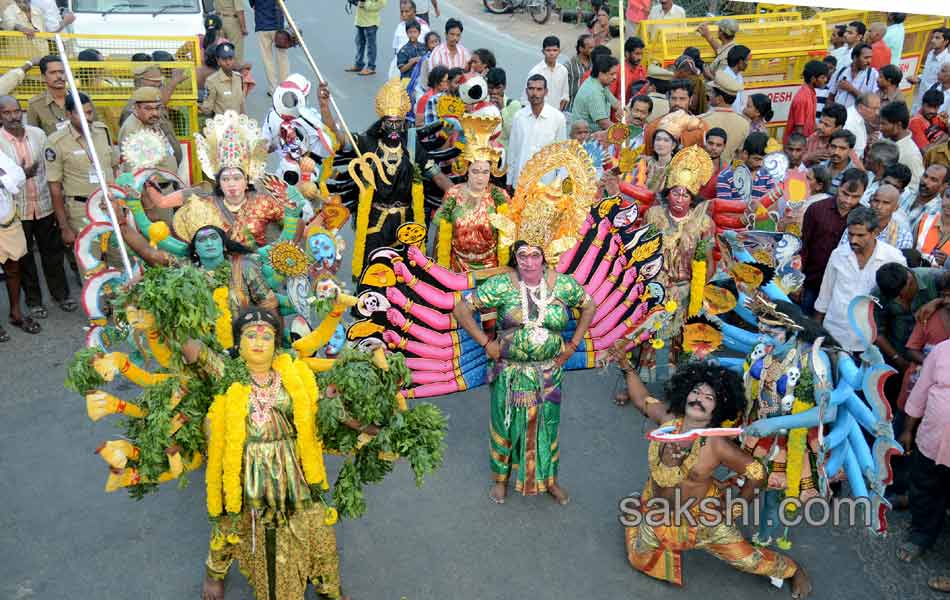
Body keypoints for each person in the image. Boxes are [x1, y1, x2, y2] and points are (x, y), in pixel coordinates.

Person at [616, 360, 811, 596]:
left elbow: (758, 473)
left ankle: (794, 570)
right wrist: (627, 367)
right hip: (658, 511)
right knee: (639, 558)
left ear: (716, 409)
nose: (699, 399)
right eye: (696, 392)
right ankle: (639, 510)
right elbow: (642, 399)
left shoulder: (717, 445)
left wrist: (735, 509)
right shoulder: (668, 421)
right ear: (685, 394)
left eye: (708, 398)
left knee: (748, 561)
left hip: (704, 520)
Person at [196, 307, 347, 600]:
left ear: (277, 344)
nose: (258, 341)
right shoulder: (228, 375)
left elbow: (316, 415)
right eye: (250, 335)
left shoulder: (293, 371)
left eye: (267, 336)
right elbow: (194, 351)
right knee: (233, 527)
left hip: (295, 470)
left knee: (318, 530)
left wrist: (330, 404)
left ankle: (328, 585)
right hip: (247, 475)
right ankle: (215, 573)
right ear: (238, 343)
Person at [452, 236, 596, 504]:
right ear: (515, 258)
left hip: (548, 373)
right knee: (506, 425)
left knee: (547, 426)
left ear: (544, 257)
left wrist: (573, 344)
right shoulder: (501, 285)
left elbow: (589, 305)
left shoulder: (563, 285)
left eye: (535, 256)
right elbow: (461, 309)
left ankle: (548, 479)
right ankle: (501, 480)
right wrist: (485, 343)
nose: (529, 263)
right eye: (522, 256)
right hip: (510, 373)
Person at [0, 95, 74, 319]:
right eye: (7, 113)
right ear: (0, 116)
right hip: (16, 210)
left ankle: (61, 296)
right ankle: (34, 302)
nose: (14, 117)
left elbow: (50, 167)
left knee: (53, 253)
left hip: (43, 204)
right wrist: (23, 174)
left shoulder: (38, 135)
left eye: (17, 111)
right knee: (24, 260)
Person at [45, 92, 118, 279]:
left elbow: (114, 166)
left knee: (120, 261)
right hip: (81, 211)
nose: (88, 118)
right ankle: (98, 307)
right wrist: (64, 227)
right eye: (81, 114)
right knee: (92, 269)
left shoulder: (102, 131)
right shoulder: (56, 142)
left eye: (90, 112)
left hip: (110, 206)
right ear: (69, 114)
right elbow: (55, 189)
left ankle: (123, 307)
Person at [815, 205, 906, 351]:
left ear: (875, 233)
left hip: (868, 343)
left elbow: (899, 302)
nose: (853, 240)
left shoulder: (893, 258)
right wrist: (816, 331)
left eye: (860, 235)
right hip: (833, 334)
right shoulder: (838, 254)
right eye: (850, 234)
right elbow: (824, 296)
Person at [896, 338, 950, 567]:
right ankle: (921, 535)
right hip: (931, 441)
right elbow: (920, 392)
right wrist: (908, 430)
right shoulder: (942, 350)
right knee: (924, 488)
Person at [433, 114, 509, 271]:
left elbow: (508, 238)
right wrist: (438, 271)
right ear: (467, 170)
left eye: (485, 172)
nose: (480, 177)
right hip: (457, 267)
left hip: (491, 271)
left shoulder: (500, 196)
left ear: (491, 172)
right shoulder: (453, 194)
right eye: (475, 171)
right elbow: (441, 235)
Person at [799, 168, 866, 314]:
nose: (847, 201)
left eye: (855, 197)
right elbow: (803, 246)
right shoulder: (817, 209)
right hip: (811, 282)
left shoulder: (863, 219)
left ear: (863, 195)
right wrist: (797, 280)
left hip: (841, 289)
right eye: (845, 193)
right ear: (839, 187)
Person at [0, 142, 40, 338]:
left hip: (7, 219)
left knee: (13, 268)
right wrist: (6, 179)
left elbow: (18, 176)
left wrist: (3, 179)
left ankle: (15, 313)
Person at [507, 75, 567, 188]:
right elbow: (513, 151)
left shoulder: (557, 118)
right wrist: (509, 180)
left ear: (546, 92)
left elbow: (561, 153)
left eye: (539, 89)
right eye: (531, 89)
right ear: (526, 91)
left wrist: (559, 183)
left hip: (546, 184)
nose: (535, 93)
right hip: (521, 182)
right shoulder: (519, 116)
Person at [836, 183, 912, 249]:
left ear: (895, 208)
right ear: (870, 202)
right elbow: (842, 254)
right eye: (876, 201)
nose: (879, 206)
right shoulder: (856, 225)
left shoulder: (903, 236)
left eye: (886, 203)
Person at [700, 70, 749, 164]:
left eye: (712, 93)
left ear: (719, 99)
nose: (709, 95)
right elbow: (739, 155)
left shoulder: (702, 120)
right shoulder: (744, 124)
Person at [881, 100, 926, 190]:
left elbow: (914, 188)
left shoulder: (911, 154)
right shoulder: (885, 140)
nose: (880, 127)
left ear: (898, 125)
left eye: (884, 124)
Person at [784, 60, 828, 144]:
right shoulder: (802, 98)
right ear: (813, 79)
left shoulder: (811, 93)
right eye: (822, 77)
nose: (825, 80)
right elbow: (799, 130)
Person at [572, 54, 619, 132]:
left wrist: (621, 109)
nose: (615, 77)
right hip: (585, 138)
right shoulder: (594, 92)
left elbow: (614, 102)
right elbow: (603, 123)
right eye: (612, 74)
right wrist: (623, 131)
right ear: (601, 74)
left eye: (615, 73)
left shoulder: (599, 82)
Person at [250, 0, 289, 93]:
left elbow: (252, 4)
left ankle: (273, 89)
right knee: (282, 58)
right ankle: (285, 87)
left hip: (262, 25)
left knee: (267, 59)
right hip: (277, 26)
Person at [908, 28, 950, 113]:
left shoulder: (948, 61)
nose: (933, 40)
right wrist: (919, 78)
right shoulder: (931, 53)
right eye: (933, 37)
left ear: (946, 42)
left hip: (932, 105)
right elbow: (927, 74)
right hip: (920, 100)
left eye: (937, 38)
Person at [25, 56, 68, 137]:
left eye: (61, 72)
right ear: (43, 77)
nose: (59, 76)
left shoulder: (80, 98)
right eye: (53, 72)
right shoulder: (35, 104)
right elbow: (34, 138)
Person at [200, 43, 246, 117]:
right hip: (221, 125)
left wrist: (244, 119)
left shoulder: (238, 77)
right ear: (218, 61)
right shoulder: (212, 81)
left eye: (230, 58)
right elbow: (208, 108)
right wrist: (199, 107)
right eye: (224, 59)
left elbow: (241, 103)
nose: (228, 62)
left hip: (237, 123)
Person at [525, 36, 569, 111]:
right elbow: (526, 100)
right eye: (548, 50)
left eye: (555, 50)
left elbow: (564, 96)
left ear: (559, 51)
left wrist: (558, 114)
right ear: (543, 51)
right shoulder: (535, 72)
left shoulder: (563, 71)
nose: (551, 53)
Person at [828, 43, 879, 109]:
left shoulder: (873, 74)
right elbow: (831, 95)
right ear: (855, 58)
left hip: (859, 117)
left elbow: (871, 102)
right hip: (838, 115)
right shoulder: (842, 71)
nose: (869, 61)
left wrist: (851, 89)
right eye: (866, 58)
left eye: (870, 58)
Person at [900, 164, 949, 231]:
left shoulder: (938, 212)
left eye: (933, 180)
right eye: (925, 176)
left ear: (943, 186)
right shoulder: (905, 193)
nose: (925, 181)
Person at [388, 0, 430, 79]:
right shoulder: (400, 26)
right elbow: (396, 49)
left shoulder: (424, 27)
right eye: (402, 11)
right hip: (400, 67)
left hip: (418, 72)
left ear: (414, 11)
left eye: (407, 11)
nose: (404, 14)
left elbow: (428, 49)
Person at [346, 0, 386, 77]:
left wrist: (364, 4)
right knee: (359, 44)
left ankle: (371, 67)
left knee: (371, 46)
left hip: (371, 22)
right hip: (360, 20)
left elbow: (381, 4)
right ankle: (358, 64)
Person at [610, 36, 646, 112]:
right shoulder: (618, 71)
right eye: (637, 54)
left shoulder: (642, 70)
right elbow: (610, 97)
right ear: (627, 53)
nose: (640, 57)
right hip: (619, 117)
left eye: (641, 54)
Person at [843, 92, 880, 160]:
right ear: (860, 107)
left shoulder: (859, 117)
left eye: (878, 109)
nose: (877, 113)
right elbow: (846, 153)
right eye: (874, 108)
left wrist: (866, 140)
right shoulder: (850, 122)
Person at [823, 129, 857, 196]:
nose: (836, 152)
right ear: (828, 146)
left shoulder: (854, 175)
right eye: (833, 147)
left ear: (850, 151)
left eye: (842, 148)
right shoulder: (820, 165)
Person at [565, 34, 594, 113]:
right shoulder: (569, 65)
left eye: (594, 47)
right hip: (571, 109)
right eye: (590, 48)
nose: (593, 50)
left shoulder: (594, 63)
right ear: (581, 48)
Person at [698, 127, 726, 200]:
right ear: (705, 143)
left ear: (724, 147)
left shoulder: (726, 171)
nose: (713, 148)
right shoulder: (692, 163)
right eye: (710, 143)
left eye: (718, 145)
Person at [722, 44, 750, 114]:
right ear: (740, 62)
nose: (748, 63)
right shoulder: (725, 78)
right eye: (747, 60)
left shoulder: (739, 76)